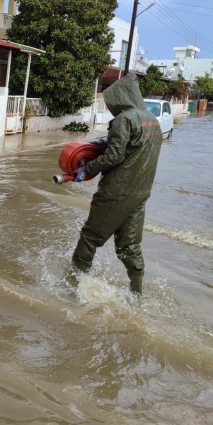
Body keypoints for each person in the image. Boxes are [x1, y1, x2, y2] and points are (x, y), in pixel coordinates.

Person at [70, 73, 162, 295]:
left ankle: (73, 288)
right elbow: (132, 146)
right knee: (129, 247)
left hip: (115, 192)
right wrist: (103, 142)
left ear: (121, 97)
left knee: (90, 238)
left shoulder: (124, 119)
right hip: (140, 194)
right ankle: (136, 295)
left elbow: (114, 156)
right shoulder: (152, 120)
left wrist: (85, 169)